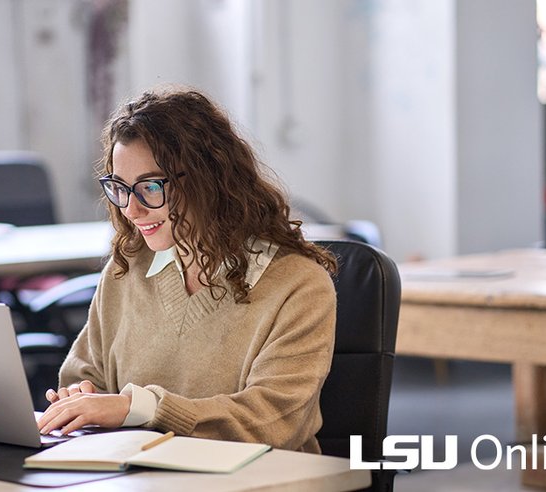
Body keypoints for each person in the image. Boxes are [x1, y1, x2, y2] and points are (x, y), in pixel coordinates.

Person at [36, 87, 338, 453]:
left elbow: (274, 421)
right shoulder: (127, 270)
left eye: (150, 187)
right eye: (120, 188)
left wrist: (138, 408)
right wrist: (82, 399)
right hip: (137, 478)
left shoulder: (298, 286)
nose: (131, 210)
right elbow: (84, 375)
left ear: (208, 178)